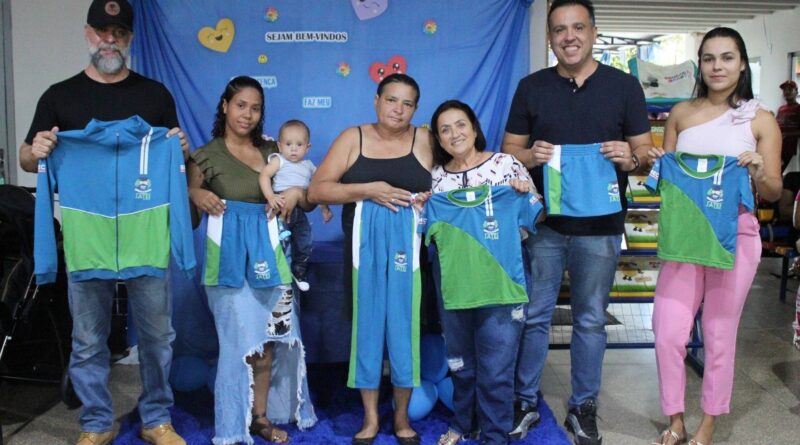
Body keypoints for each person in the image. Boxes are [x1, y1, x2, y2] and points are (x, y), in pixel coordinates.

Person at [18, 1, 191, 444]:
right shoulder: (58, 96)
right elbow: (26, 159)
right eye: (101, 31)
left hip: (145, 234)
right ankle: (95, 424)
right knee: (88, 339)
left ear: (130, 38)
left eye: (119, 32)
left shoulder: (155, 96)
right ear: (87, 33)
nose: (109, 39)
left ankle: (156, 419)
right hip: (88, 236)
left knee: (158, 336)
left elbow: (178, 159)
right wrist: (35, 150)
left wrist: (181, 149)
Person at [501, 1, 653, 443]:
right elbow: (509, 153)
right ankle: (524, 400)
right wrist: (531, 157)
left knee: (590, 320)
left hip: (602, 229)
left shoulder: (624, 86)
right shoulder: (531, 87)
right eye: (559, 29)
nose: (569, 36)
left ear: (594, 32)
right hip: (545, 224)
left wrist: (631, 157)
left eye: (578, 27)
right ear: (550, 37)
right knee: (534, 315)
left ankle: (583, 406)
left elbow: (646, 152)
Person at [647, 27, 781, 445]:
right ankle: (675, 418)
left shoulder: (760, 119)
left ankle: (708, 422)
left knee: (720, 334)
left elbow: (774, 190)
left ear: (742, 65)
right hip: (685, 236)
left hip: (735, 235)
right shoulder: (680, 114)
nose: (717, 66)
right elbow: (667, 175)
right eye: (708, 58)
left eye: (727, 58)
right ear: (699, 65)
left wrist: (759, 170)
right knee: (667, 331)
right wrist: (656, 162)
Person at [188, 76, 317, 444]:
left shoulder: (274, 150)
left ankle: (260, 418)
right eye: (240, 105)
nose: (247, 114)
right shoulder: (204, 155)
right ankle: (232, 425)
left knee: (271, 339)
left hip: (274, 256)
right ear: (225, 106)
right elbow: (190, 218)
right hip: (228, 262)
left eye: (255, 108)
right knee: (237, 345)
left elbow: (308, 203)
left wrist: (298, 193)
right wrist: (194, 193)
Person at [308, 73, 432, 445]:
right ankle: (371, 418)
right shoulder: (353, 138)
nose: (398, 109)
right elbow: (317, 190)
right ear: (376, 100)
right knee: (367, 329)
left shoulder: (425, 139)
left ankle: (402, 417)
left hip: (410, 253)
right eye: (391, 99)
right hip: (363, 253)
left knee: (406, 329)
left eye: (407, 103)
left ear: (416, 109)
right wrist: (369, 190)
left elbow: (450, 182)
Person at [427, 100, 541, 445]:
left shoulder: (506, 164)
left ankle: (494, 436)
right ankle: (463, 423)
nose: (454, 134)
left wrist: (524, 194)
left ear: (474, 128)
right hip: (455, 282)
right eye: (445, 129)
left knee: (496, 368)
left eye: (460, 124)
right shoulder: (435, 179)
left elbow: (536, 215)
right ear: (438, 139)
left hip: (501, 280)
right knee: (460, 361)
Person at [259, 119, 333, 289]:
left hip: (300, 209)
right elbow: (264, 175)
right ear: (279, 146)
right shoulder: (278, 160)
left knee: (304, 240)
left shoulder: (309, 166)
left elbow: (317, 188)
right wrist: (270, 196)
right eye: (288, 144)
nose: (293, 149)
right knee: (281, 240)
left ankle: (299, 271)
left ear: (307, 147)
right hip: (279, 205)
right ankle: (280, 273)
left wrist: (324, 208)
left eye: (299, 145)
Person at [777, 80, 800, 169]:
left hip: (792, 151)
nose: (786, 92)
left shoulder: (798, 108)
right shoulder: (781, 109)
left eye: (790, 89)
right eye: (784, 90)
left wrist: (786, 134)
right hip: (779, 148)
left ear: (796, 91)